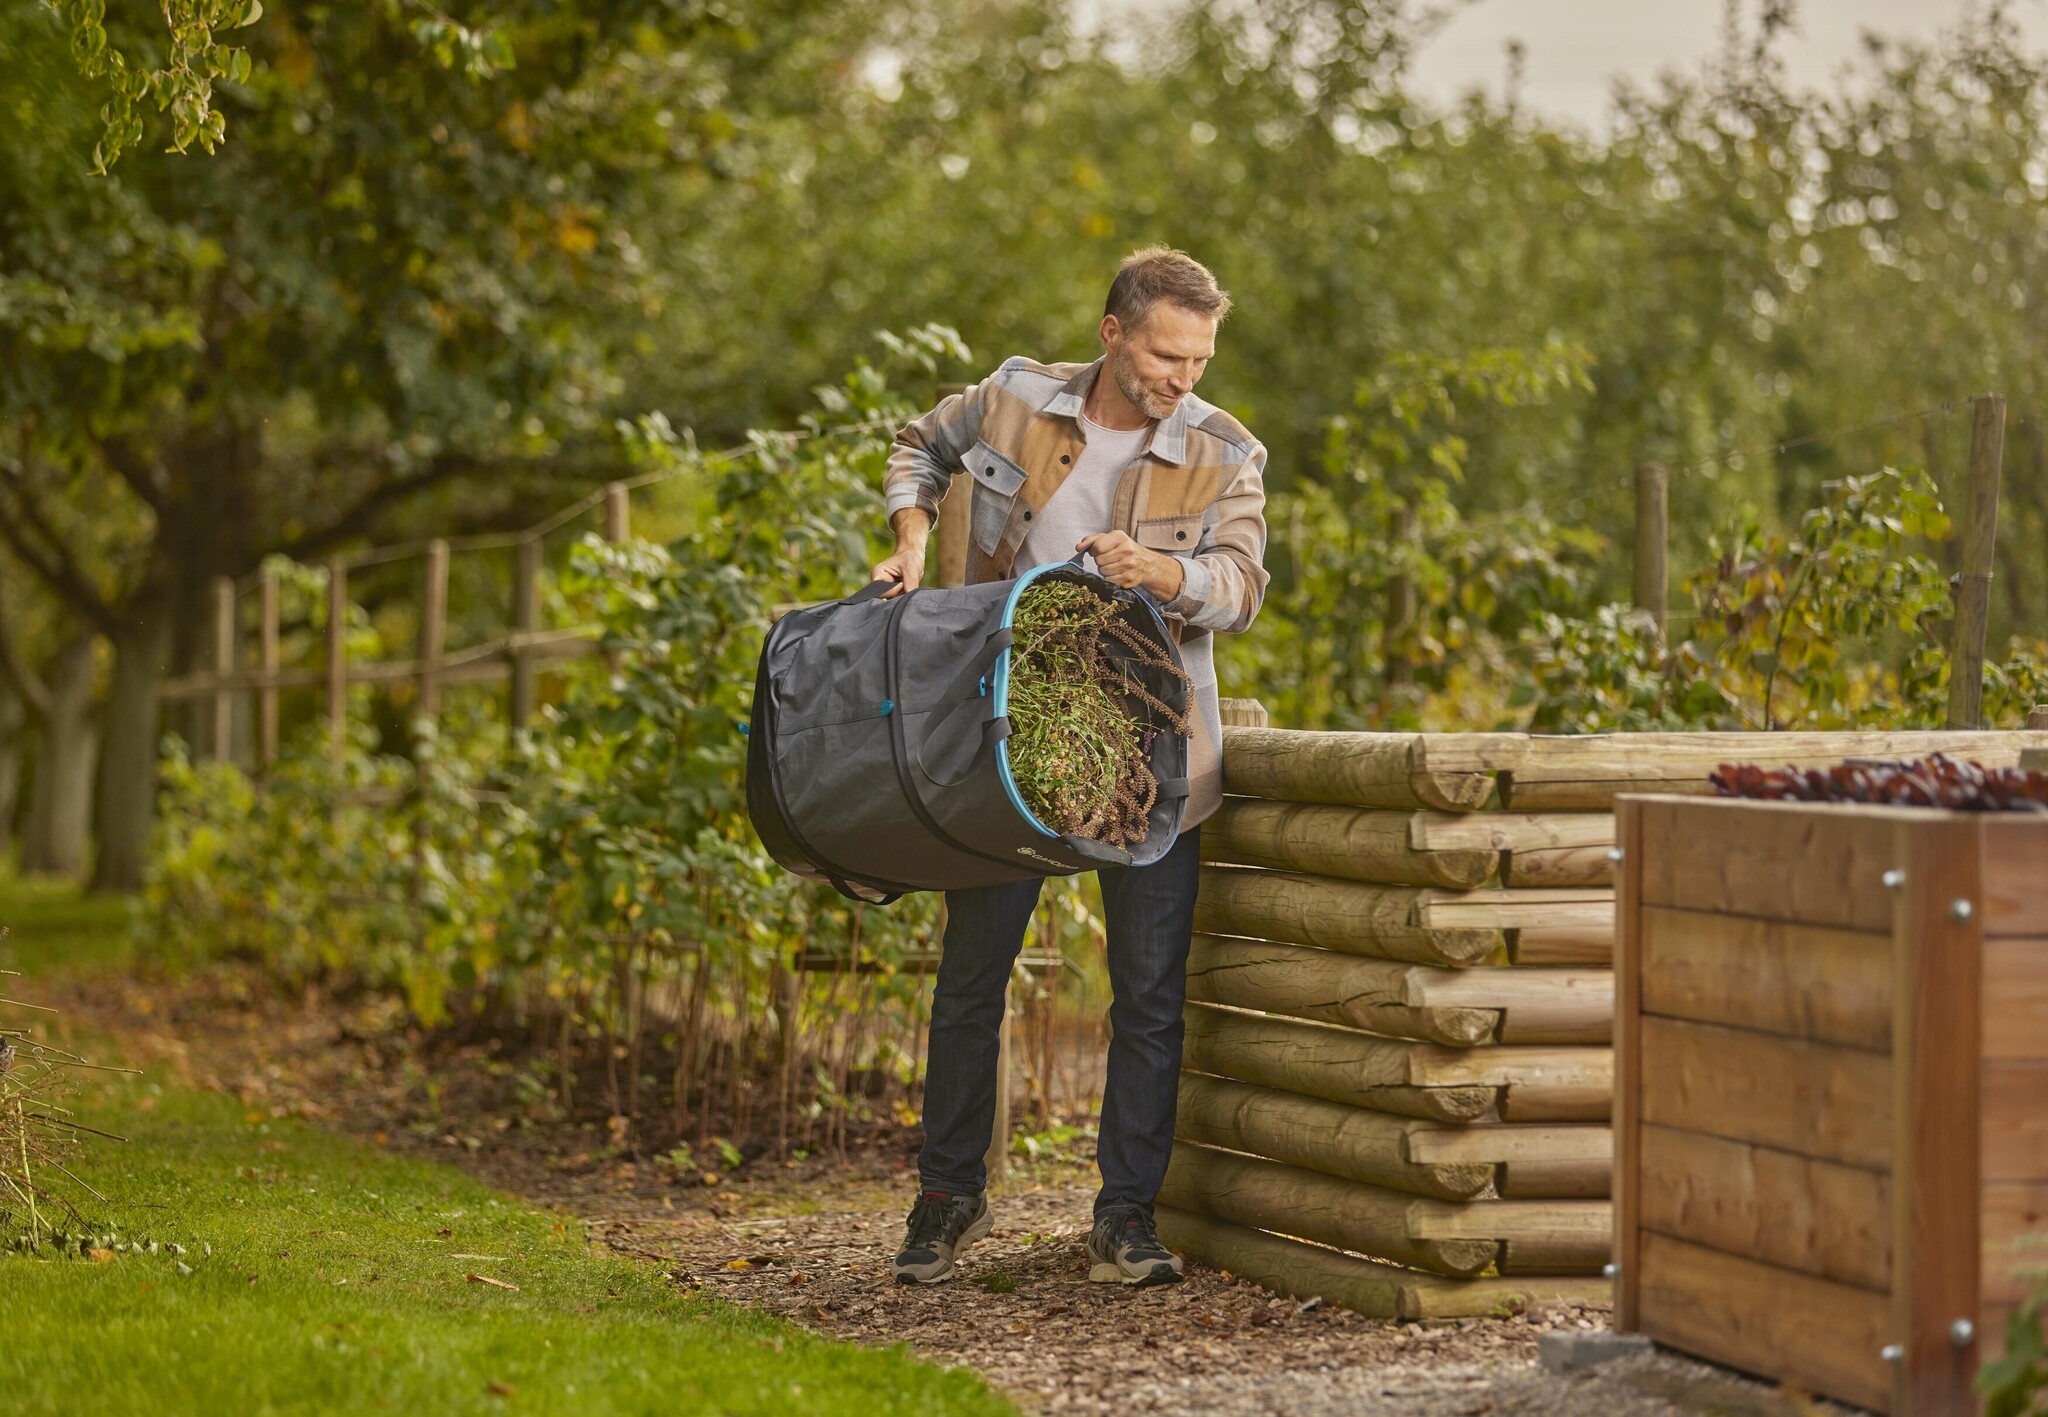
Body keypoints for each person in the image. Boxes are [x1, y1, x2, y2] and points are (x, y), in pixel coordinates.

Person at [871, 247, 1269, 1286]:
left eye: (1197, 359)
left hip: (1148, 748)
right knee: (971, 979)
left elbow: (1238, 584)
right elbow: (919, 444)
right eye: (1162, 353)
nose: (1181, 377)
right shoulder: (1014, 397)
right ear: (1110, 333)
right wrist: (912, 536)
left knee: (1144, 995)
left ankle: (1123, 1220)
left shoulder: (1226, 450)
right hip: (1006, 732)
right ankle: (947, 1201)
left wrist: (1164, 571)